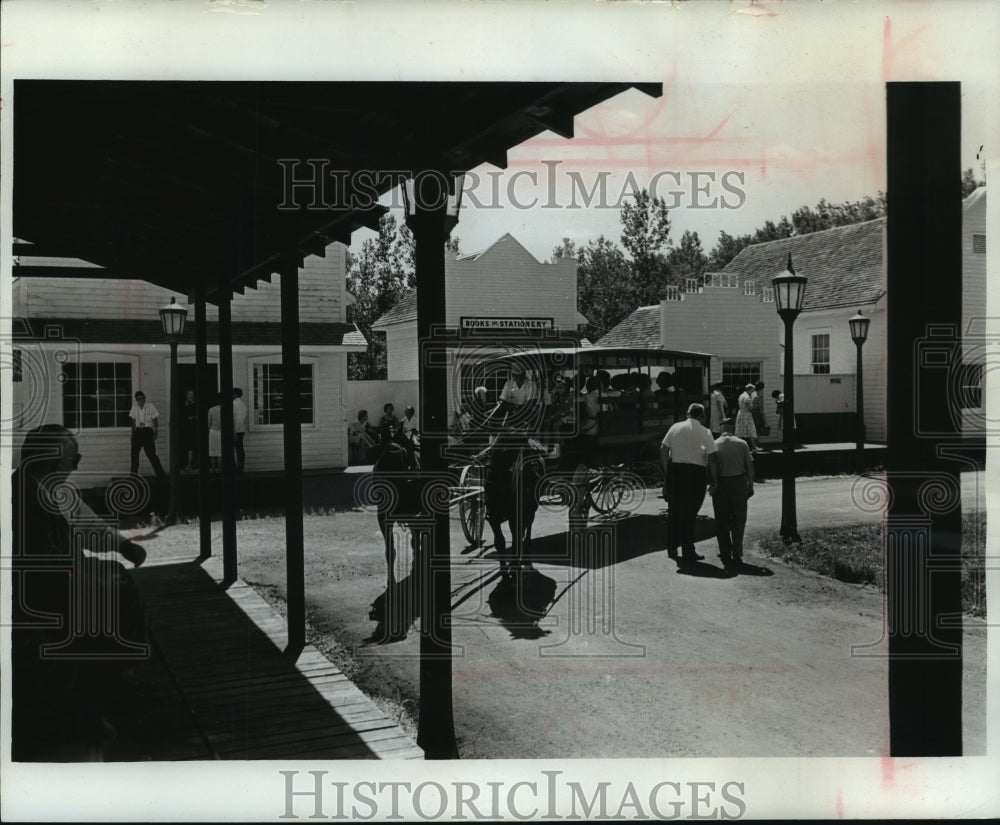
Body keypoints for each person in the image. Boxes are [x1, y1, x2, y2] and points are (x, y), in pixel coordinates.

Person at [12, 424, 149, 760]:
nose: (76, 466)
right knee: (113, 592)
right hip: (37, 600)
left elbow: (89, 527)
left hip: (64, 581)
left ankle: (119, 672)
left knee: (118, 580)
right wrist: (92, 583)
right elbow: (44, 572)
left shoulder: (57, 492)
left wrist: (123, 545)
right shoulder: (20, 498)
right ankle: (108, 685)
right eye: (74, 459)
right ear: (54, 461)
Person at [660, 403, 717, 563]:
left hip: (676, 471)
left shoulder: (675, 427)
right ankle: (688, 549)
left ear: (688, 414)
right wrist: (714, 480)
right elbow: (712, 457)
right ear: (702, 416)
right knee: (690, 513)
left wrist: (667, 472)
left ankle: (672, 547)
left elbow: (663, 450)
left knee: (675, 511)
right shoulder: (705, 432)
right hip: (696, 473)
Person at [708, 418, 755, 571]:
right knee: (739, 519)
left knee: (721, 520)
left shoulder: (714, 444)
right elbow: (749, 466)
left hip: (722, 483)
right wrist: (750, 485)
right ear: (733, 429)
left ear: (721, 428)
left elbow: (712, 466)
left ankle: (725, 552)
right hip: (739, 482)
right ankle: (737, 551)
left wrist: (714, 483)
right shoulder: (742, 443)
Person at [129, 390, 166, 478]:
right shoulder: (134, 408)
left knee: (151, 454)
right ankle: (133, 475)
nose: (141, 400)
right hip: (138, 432)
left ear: (144, 398)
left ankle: (160, 474)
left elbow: (155, 420)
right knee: (134, 454)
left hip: (148, 432)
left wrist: (156, 432)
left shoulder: (150, 406)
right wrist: (132, 434)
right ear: (136, 400)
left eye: (143, 398)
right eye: (139, 399)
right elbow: (133, 422)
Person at [735, 383, 759, 452]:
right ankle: (754, 447)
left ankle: (739, 447)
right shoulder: (747, 397)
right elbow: (749, 408)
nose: (753, 392)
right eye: (753, 390)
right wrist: (754, 404)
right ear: (750, 389)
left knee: (741, 431)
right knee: (751, 430)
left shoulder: (741, 395)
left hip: (741, 414)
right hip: (746, 414)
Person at [232, 387, 249, 473]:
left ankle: (234, 468)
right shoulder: (243, 405)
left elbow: (234, 419)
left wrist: (233, 432)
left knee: (232, 449)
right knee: (240, 449)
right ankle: (240, 468)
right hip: (241, 429)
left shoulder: (233, 404)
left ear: (235, 394)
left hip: (234, 429)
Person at [182, 389, 199, 472]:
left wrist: (194, 417)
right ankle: (192, 464)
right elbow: (183, 415)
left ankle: (190, 464)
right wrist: (186, 406)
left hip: (194, 428)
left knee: (192, 447)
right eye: (189, 395)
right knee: (189, 446)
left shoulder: (196, 404)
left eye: (192, 395)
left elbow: (201, 416)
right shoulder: (185, 405)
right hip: (187, 428)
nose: (190, 396)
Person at [207, 395, 223, 472]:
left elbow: (209, 423)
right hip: (221, 432)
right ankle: (219, 470)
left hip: (212, 432)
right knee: (220, 452)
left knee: (212, 452)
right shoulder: (225, 409)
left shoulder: (211, 410)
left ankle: (213, 470)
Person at [751, 381, 768, 445]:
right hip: (757, 413)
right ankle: (756, 445)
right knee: (758, 430)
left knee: (754, 429)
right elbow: (761, 409)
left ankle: (754, 445)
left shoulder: (753, 393)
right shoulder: (760, 396)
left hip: (753, 412)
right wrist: (765, 421)